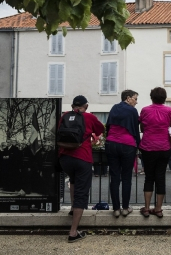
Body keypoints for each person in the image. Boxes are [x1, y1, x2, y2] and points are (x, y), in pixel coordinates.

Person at [58, 95, 105, 243]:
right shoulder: (89, 117)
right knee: (81, 193)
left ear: (73, 106)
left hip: (64, 157)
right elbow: (100, 129)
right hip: (82, 157)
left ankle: (72, 208)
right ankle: (73, 232)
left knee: (72, 179)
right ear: (86, 106)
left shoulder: (65, 115)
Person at [138, 87, 171, 218]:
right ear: (164, 98)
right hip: (164, 147)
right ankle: (158, 208)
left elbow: (142, 127)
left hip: (148, 147)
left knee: (149, 177)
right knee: (160, 177)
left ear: (151, 97)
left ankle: (147, 208)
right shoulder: (169, 111)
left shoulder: (145, 110)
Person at [105, 89, 140, 218]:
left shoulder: (114, 108)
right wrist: (138, 145)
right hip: (127, 145)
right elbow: (135, 130)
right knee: (126, 177)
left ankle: (115, 209)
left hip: (111, 144)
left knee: (114, 177)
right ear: (128, 98)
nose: (136, 102)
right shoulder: (132, 111)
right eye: (135, 99)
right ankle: (125, 208)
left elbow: (108, 126)